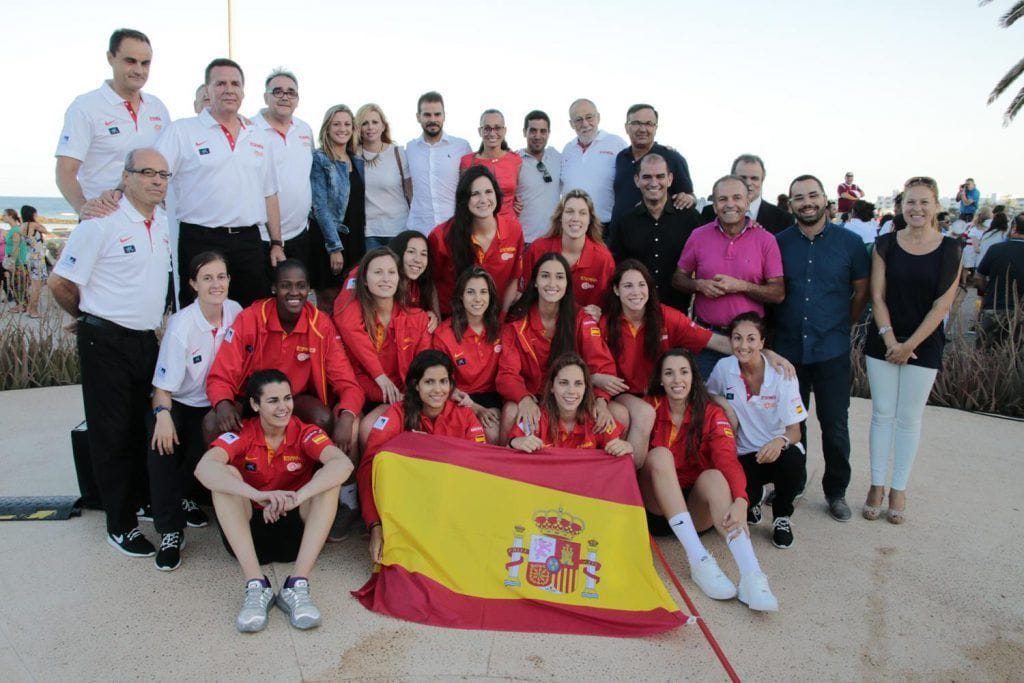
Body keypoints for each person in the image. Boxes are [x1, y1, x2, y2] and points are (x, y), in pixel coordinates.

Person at [48, 148, 173, 557]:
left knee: (141, 428)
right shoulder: (100, 223)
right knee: (111, 434)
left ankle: (139, 501)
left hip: (144, 340)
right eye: (148, 172)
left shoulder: (164, 221)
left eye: (163, 174)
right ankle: (119, 525)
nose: (157, 180)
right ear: (126, 177)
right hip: (106, 342)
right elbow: (60, 283)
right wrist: (86, 317)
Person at [195, 369, 353, 632]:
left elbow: (343, 465)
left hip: (295, 533)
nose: (283, 407)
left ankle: (296, 585)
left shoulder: (306, 432)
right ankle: (257, 586)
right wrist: (256, 494)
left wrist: (297, 497)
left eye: (287, 398)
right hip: (250, 534)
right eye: (273, 401)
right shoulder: (243, 433)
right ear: (255, 405)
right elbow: (204, 469)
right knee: (224, 476)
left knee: (329, 480)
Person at [601, 260, 794, 467]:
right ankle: (629, 481)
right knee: (642, 413)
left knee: (726, 410)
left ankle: (725, 472)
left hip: (665, 390)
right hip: (627, 394)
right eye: (628, 286)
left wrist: (764, 352)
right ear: (616, 290)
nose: (636, 292)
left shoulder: (665, 316)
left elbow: (716, 341)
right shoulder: (605, 323)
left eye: (642, 285)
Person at [640, 348, 778, 611]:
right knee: (659, 456)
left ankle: (751, 576)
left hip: (695, 510)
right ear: (660, 379)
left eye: (683, 372)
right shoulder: (649, 407)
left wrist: (740, 499)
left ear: (694, 376)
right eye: (669, 373)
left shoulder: (712, 413)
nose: (676, 380)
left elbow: (728, 460)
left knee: (716, 476)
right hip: (656, 508)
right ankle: (699, 560)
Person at [863, 177, 961, 524]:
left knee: (909, 419)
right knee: (882, 414)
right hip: (884, 340)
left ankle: (898, 487)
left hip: (924, 343)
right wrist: (892, 342)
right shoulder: (885, 244)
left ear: (936, 206)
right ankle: (876, 484)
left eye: (924, 202)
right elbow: (877, 295)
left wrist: (910, 346)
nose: (916, 209)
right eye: (910, 202)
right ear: (901, 207)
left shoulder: (951, 249)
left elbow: (941, 305)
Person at [774, 175, 869, 522]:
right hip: (788, 351)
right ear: (791, 204)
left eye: (813, 195)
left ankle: (836, 491)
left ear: (826, 199)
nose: (806, 203)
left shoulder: (851, 243)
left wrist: (841, 325)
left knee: (835, 424)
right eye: (799, 197)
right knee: (792, 423)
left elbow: (860, 291)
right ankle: (793, 484)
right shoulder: (779, 243)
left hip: (831, 349)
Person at [156, 58, 283, 308]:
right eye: (221, 83)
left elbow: (269, 194)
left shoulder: (257, 135)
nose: (229, 89)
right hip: (201, 239)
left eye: (235, 83)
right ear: (207, 90)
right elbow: (153, 175)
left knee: (252, 315)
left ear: (243, 92)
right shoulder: (182, 131)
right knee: (201, 313)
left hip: (249, 241)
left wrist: (277, 243)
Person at [205, 258, 363, 458]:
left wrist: (347, 417)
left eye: (301, 286)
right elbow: (220, 373)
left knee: (322, 418)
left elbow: (348, 383)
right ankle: (223, 486)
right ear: (274, 288)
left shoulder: (320, 324)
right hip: (252, 399)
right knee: (212, 422)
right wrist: (222, 402)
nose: (294, 293)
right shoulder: (251, 317)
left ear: (309, 290)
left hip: (293, 399)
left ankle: (312, 483)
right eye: (286, 286)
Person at [148, 252, 242, 570]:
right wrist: (162, 417)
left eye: (221, 277)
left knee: (204, 454)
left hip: (219, 401)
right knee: (162, 447)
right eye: (207, 278)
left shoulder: (235, 311)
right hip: (181, 402)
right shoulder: (181, 326)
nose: (216, 284)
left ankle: (190, 497)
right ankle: (170, 531)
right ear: (192, 284)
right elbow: (162, 387)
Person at [360, 350, 486, 562]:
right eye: (429, 382)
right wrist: (375, 526)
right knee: (386, 459)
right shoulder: (397, 414)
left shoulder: (465, 416)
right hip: (406, 508)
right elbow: (369, 469)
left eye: (443, 381)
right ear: (416, 385)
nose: (438, 390)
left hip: (450, 508)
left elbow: (481, 468)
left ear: (451, 385)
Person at [496, 252, 624, 443]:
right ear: (536, 282)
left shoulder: (581, 318)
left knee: (619, 414)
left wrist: (601, 401)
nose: (552, 283)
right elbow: (507, 374)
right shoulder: (516, 323)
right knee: (510, 412)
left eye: (560, 277)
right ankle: (507, 470)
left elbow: (602, 365)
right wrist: (524, 398)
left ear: (567, 284)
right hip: (533, 397)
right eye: (545, 276)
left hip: (572, 397)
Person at [706, 313, 808, 548]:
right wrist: (724, 406)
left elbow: (795, 431)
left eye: (751, 339)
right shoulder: (724, 368)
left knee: (793, 458)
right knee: (738, 501)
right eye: (737, 338)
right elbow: (708, 394)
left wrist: (779, 441)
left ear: (762, 343)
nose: (743, 346)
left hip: (776, 450)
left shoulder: (783, 373)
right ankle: (754, 500)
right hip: (744, 454)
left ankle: (782, 517)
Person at [674, 174, 785, 378]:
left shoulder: (766, 240)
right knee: (706, 405)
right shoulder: (699, 236)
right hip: (708, 339)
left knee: (747, 407)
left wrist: (741, 286)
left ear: (747, 201)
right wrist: (699, 285)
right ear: (714, 205)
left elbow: (778, 293)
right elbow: (678, 279)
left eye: (736, 198)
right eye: (722, 199)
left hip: (748, 342)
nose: (730, 204)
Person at [55, 29, 171, 219]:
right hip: (106, 221)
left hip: (153, 221)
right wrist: (83, 208)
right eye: (130, 61)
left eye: (145, 63)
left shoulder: (157, 107)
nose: (139, 70)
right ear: (111, 58)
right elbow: (65, 171)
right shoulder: (85, 107)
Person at [334, 248, 432, 441]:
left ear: (400, 279)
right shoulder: (351, 320)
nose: (385, 278)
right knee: (349, 429)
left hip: (400, 396)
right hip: (360, 392)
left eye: (391, 272)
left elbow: (424, 368)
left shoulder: (417, 318)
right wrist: (378, 392)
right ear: (363, 280)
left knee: (370, 428)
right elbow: (350, 374)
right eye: (378, 272)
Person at [608, 153, 703, 313]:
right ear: (637, 180)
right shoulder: (624, 221)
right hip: (637, 313)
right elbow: (616, 267)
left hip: (679, 315)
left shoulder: (691, 218)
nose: (654, 183)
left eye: (660, 176)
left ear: (670, 179)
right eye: (647, 177)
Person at [428, 166, 524, 316]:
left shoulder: (514, 230)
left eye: (488, 192)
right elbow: (431, 283)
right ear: (464, 199)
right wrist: (439, 323)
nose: (483, 200)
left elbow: (514, 278)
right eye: (475, 194)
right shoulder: (441, 236)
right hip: (453, 319)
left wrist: (502, 318)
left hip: (494, 318)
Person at [508, 352, 633, 457]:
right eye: (563, 383)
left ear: (585, 388)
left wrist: (627, 448)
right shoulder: (535, 418)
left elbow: (621, 461)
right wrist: (514, 443)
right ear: (552, 387)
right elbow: (506, 456)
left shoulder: (598, 420)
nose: (571, 391)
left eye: (578, 383)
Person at [432, 266, 503, 443]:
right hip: (456, 397)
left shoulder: (502, 328)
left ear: (491, 296)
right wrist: (475, 408)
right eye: (471, 292)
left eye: (483, 292)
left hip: (491, 396)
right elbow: (441, 381)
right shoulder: (444, 334)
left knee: (495, 433)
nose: (478, 299)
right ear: (461, 297)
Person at [521, 189, 615, 316]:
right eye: (569, 212)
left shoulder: (603, 259)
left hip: (583, 329)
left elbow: (610, 308)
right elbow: (523, 294)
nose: (575, 218)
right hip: (542, 325)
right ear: (560, 217)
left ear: (590, 220)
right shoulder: (538, 249)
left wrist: (601, 314)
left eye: (582, 213)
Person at [310, 104, 366, 312]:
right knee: (329, 302)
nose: (342, 129)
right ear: (327, 128)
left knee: (352, 303)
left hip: (355, 240)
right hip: (330, 241)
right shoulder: (320, 159)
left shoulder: (356, 160)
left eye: (347, 124)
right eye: (336, 124)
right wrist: (334, 247)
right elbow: (320, 207)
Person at [256, 70, 314, 266]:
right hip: (261, 237)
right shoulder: (249, 130)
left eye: (291, 92)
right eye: (278, 91)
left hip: (298, 234)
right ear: (266, 97)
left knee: (297, 294)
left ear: (297, 99)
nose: (284, 97)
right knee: (261, 296)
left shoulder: (305, 130)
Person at [335, 230, 440, 329]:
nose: (418, 259)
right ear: (398, 250)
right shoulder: (363, 271)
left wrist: (425, 316)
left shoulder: (416, 284)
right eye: (411, 251)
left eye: (423, 254)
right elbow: (347, 323)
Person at [611, 103, 694, 223]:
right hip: (621, 235)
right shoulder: (621, 157)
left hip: (656, 235)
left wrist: (690, 198)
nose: (642, 129)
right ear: (626, 127)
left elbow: (689, 196)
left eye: (649, 124)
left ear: (655, 128)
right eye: (636, 123)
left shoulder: (672, 158)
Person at [405, 91, 472, 234]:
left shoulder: (461, 146)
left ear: (444, 116)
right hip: (419, 228)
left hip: (454, 228)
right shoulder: (410, 149)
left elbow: (470, 185)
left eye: (437, 114)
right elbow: (407, 186)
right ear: (418, 117)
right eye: (427, 115)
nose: (433, 119)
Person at [560, 99, 627, 224]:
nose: (585, 124)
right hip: (574, 227)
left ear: (598, 118)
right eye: (578, 119)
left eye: (589, 117)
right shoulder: (568, 149)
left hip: (606, 226)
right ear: (571, 124)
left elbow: (639, 168)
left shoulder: (616, 143)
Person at [355, 103, 412, 250]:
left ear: (383, 126)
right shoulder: (354, 156)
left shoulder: (398, 153)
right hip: (369, 232)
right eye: (365, 123)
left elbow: (410, 193)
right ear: (358, 128)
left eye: (375, 122)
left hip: (399, 228)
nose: (370, 127)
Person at [701, 155, 792, 234]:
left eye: (754, 178)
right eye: (742, 178)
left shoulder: (783, 219)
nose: (748, 183)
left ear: (762, 180)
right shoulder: (709, 213)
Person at [460, 109, 521, 222]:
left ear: (504, 131)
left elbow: (517, 192)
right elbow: (463, 197)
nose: (492, 133)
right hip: (478, 227)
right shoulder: (467, 162)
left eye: (497, 128)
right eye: (487, 128)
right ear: (480, 131)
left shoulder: (515, 160)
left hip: (509, 225)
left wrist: (518, 202)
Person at [975, 214, 1024, 349]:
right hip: (1021, 312)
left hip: (994, 308)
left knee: (984, 353)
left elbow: (979, 277)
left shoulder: (996, 249)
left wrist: (988, 291)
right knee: (1016, 355)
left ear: (1013, 229)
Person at [514, 110, 562, 245]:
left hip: (554, 239)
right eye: (533, 130)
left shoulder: (557, 157)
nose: (538, 136)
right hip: (525, 240)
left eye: (543, 131)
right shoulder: (514, 161)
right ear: (524, 132)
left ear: (549, 133)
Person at [19, 206, 50, 318]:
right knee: (37, 286)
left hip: (30, 257)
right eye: (35, 213)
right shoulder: (34, 225)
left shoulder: (22, 226)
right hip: (37, 258)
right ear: (32, 214)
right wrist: (36, 221)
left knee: (34, 284)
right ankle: (33, 311)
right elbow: (45, 230)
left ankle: (29, 309)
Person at [3, 209, 27, 311]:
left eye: (4, 215)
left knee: (18, 283)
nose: (3, 217)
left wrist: (12, 262)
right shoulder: (13, 229)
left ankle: (22, 305)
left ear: (10, 216)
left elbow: (16, 247)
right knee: (15, 283)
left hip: (17, 261)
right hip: (14, 260)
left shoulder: (15, 230)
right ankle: (20, 304)